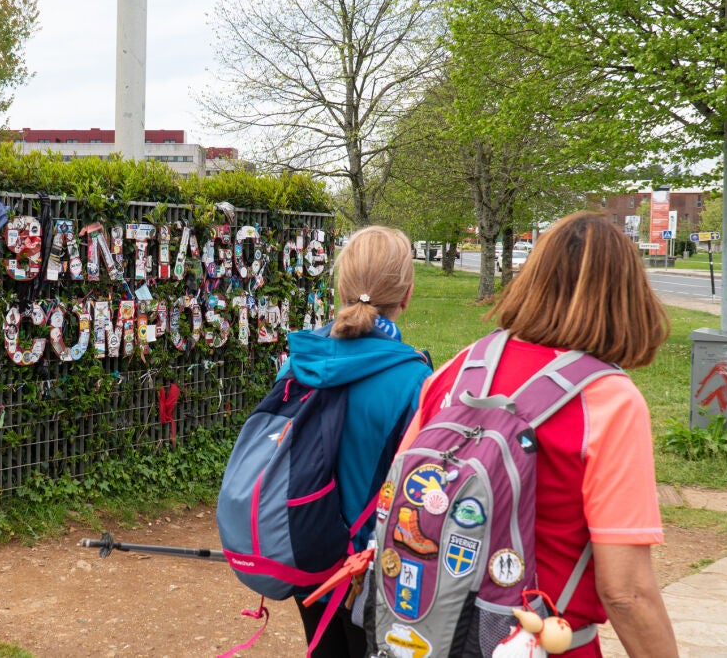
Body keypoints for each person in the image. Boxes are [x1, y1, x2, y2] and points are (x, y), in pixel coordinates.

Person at [399, 212, 678, 657]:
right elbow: (626, 591)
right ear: (626, 297)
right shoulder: (609, 401)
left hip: (436, 634)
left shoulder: (459, 369)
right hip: (545, 641)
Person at [282, 225, 432, 657]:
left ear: (340, 287)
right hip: (372, 570)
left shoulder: (299, 361)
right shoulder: (414, 381)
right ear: (406, 295)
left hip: (306, 553)